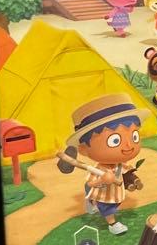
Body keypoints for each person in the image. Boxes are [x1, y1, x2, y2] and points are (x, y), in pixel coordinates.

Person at [63, 94, 148, 236]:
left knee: (114, 203)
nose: (128, 146)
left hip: (117, 193)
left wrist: (132, 178)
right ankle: (112, 224)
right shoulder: (99, 169)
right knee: (108, 208)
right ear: (84, 149)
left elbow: (126, 172)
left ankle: (91, 200)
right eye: (115, 141)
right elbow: (91, 183)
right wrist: (102, 180)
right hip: (104, 194)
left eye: (134, 137)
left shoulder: (121, 164)